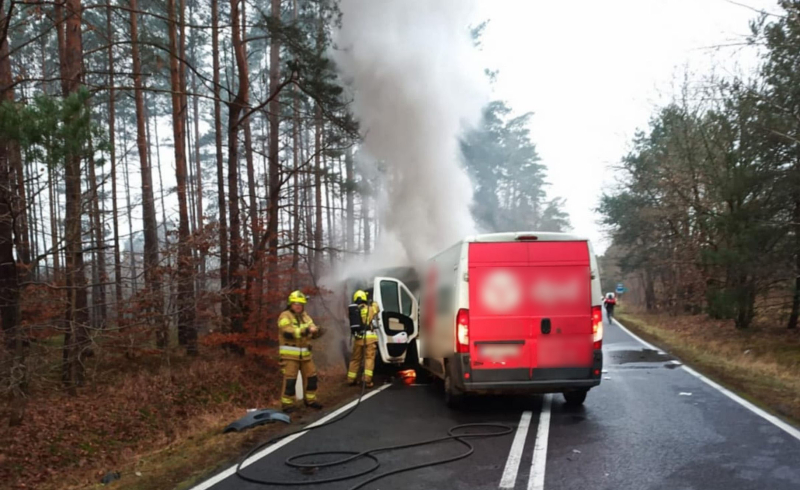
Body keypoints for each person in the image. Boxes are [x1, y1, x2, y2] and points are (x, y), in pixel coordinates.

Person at [278, 290, 323, 413]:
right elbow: (288, 332)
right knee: (290, 380)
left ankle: (311, 401)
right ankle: (287, 405)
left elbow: (312, 329)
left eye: (300, 304)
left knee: (312, 377)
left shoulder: (305, 316)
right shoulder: (284, 316)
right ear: (290, 304)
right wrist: (306, 330)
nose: (298, 306)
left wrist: (317, 331)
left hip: (306, 355)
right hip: (290, 356)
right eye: (295, 303)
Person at [346, 290, 381, 388]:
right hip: (369, 339)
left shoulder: (353, 312)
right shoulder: (369, 309)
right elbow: (377, 308)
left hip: (358, 339)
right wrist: (373, 301)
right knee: (369, 358)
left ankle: (351, 379)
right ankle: (367, 380)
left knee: (355, 359)